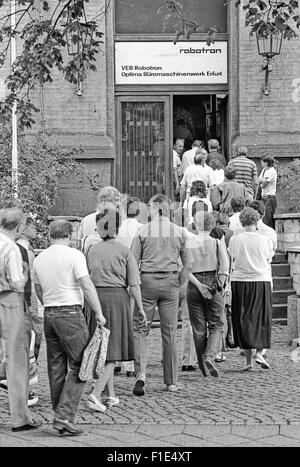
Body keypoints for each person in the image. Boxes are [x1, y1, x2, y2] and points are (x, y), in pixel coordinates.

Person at [33, 220, 106, 436]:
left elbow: (39, 290)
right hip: (70, 312)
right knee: (82, 363)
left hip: (50, 313)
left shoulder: (40, 258)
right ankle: (64, 416)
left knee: (56, 367)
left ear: (50, 235)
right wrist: (99, 313)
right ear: (70, 234)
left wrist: (49, 303)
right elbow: (86, 285)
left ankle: (59, 414)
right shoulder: (74, 255)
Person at [85, 208, 147, 412]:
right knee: (115, 351)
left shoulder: (91, 249)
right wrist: (140, 307)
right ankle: (96, 394)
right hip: (117, 299)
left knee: (104, 348)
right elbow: (134, 285)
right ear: (117, 228)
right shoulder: (124, 250)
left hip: (94, 299)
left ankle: (111, 395)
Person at [131, 194, 190, 395]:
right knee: (170, 332)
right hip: (171, 280)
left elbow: (132, 261)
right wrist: (180, 286)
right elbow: (188, 264)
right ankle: (171, 381)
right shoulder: (179, 231)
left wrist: (134, 286)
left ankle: (141, 374)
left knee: (140, 329)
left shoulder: (142, 231)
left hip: (146, 280)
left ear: (154, 209)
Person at [0, 207, 40, 432]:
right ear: (18, 227)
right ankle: (20, 418)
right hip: (9, 302)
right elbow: (17, 283)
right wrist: (25, 272)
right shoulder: (11, 248)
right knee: (16, 361)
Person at [228, 207, 274, 371]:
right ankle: (260, 352)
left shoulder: (235, 239)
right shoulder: (265, 239)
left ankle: (248, 361)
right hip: (261, 280)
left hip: (240, 280)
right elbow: (268, 258)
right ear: (256, 222)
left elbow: (232, 256)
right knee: (262, 317)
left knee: (242, 318)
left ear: (241, 222)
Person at [186, 212, 229, 377]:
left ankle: (203, 367)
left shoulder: (189, 243)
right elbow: (224, 268)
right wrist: (221, 284)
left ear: (195, 226)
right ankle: (210, 356)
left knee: (198, 328)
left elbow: (185, 269)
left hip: (193, 284)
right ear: (212, 226)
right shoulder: (217, 243)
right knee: (216, 323)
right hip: (213, 281)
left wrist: (198, 284)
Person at [114, 196, 143, 377]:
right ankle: (130, 364)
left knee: (117, 319)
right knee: (131, 319)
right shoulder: (140, 228)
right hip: (133, 274)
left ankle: (115, 360)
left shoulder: (118, 226)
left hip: (117, 275)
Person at [78, 186, 122, 251]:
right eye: (116, 200)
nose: (119, 204)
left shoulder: (86, 219)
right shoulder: (115, 219)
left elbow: (79, 244)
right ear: (105, 201)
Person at [257, 155, 277, 229]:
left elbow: (263, 184)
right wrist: (262, 180)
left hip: (269, 197)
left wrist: (262, 181)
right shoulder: (264, 170)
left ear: (266, 162)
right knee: (263, 218)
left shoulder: (272, 171)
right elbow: (258, 180)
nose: (261, 163)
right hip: (263, 197)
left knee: (268, 219)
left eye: (262, 162)